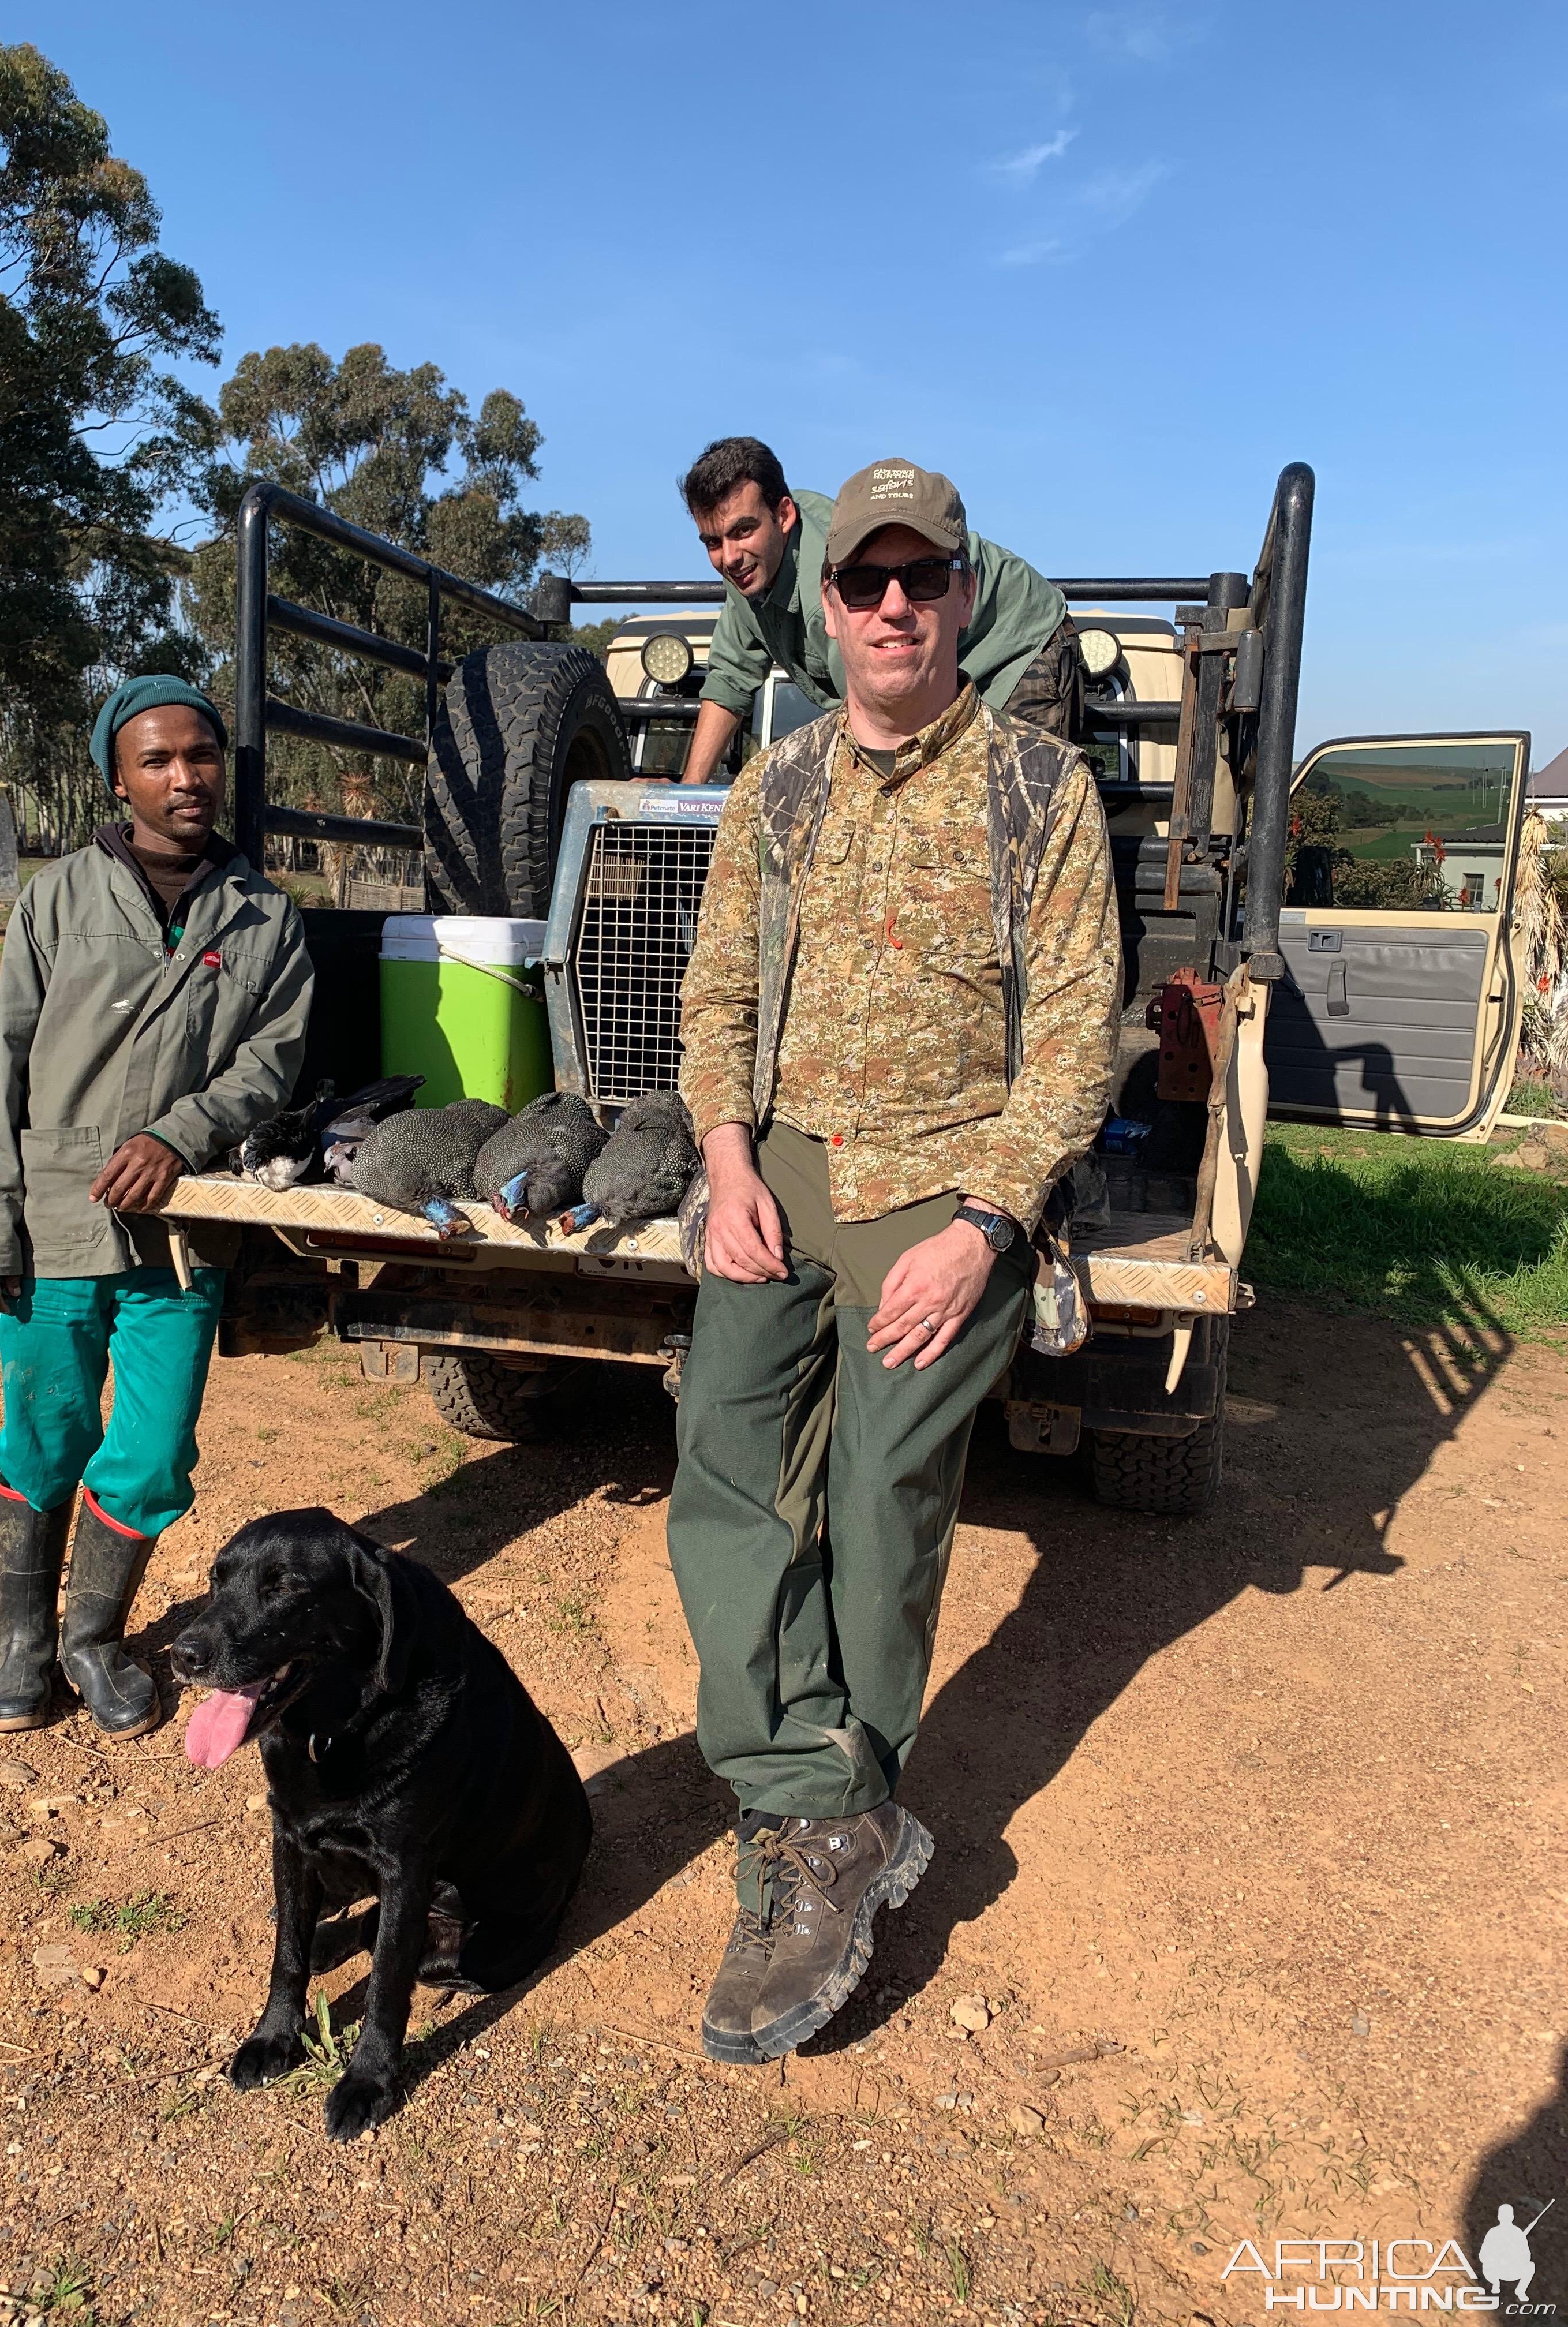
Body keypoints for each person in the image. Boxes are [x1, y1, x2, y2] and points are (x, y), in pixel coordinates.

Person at [668, 458, 1121, 2063]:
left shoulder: (1035, 790)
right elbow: (714, 993)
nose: (890, 607)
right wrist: (723, 1159)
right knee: (725, 1469)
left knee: (877, 1501)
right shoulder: (777, 787)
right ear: (830, 598)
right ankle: (829, 1812)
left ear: (957, 593)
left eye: (919, 578)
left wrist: (989, 1221)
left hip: (948, 1192)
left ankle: (822, 1826)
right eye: (863, 582)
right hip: (779, 1171)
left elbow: (1078, 1036)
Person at [0, 676, 315, 1739]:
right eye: (157, 759)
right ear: (118, 778)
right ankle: (22, 1639)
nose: (184, 776)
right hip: (52, 1219)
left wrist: (178, 1135)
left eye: (199, 755)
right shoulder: (57, 897)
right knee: (44, 1433)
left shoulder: (264, 915)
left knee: (153, 1451)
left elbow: (270, 1063)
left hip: (179, 1233)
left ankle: (93, 1638)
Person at [675, 437, 1083, 785]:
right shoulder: (749, 571)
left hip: (1017, 641)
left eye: (743, 531)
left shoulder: (837, 595)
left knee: (1015, 807)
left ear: (784, 515)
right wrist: (687, 794)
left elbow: (877, 709)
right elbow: (729, 677)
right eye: (713, 541)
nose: (729, 557)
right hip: (935, 655)